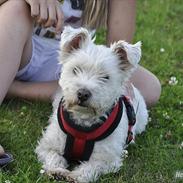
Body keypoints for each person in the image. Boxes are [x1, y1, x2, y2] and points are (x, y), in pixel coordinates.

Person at [0, 0, 161, 166]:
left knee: (149, 87)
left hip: (75, 59)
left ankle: (13, 88)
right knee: (15, 8)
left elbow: (118, 53)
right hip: (19, 44)